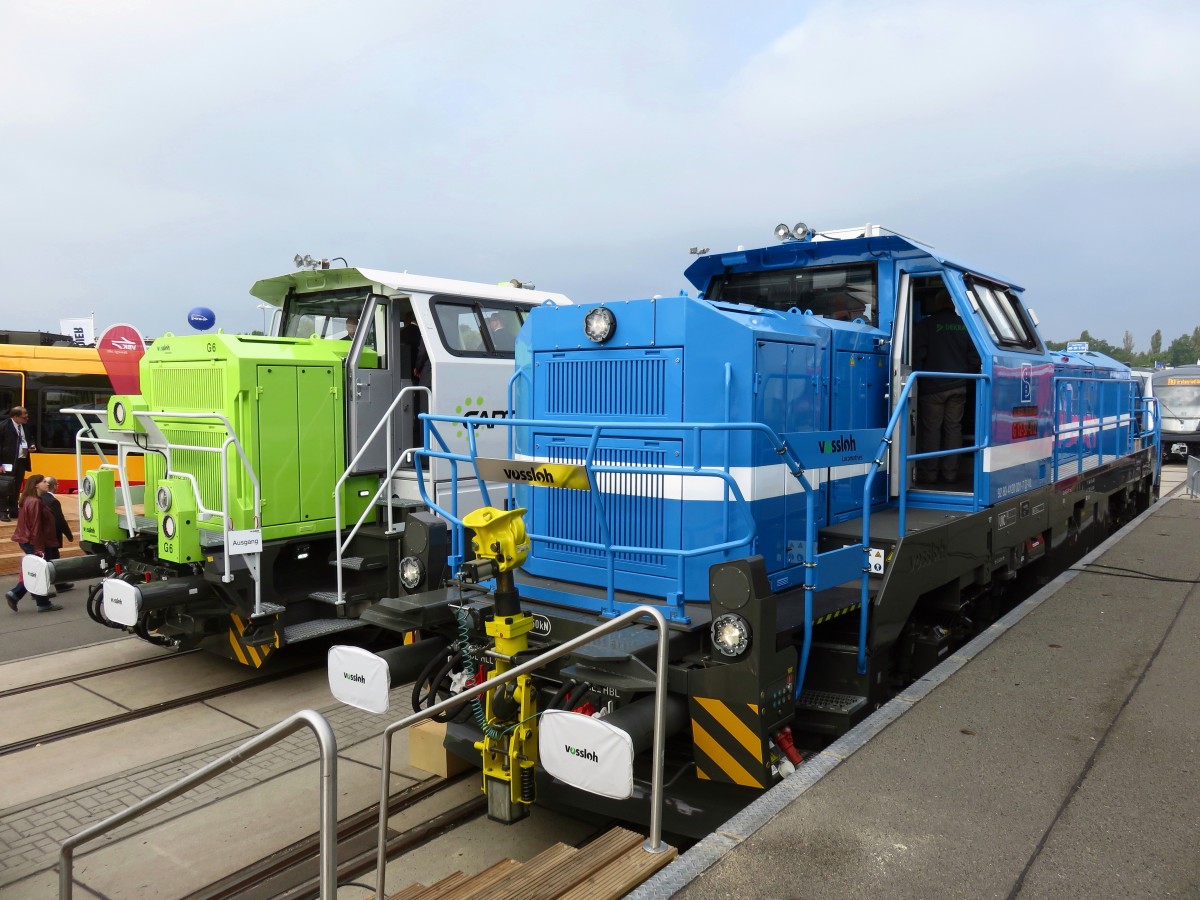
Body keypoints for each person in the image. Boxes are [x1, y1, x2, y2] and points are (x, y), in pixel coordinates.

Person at [913, 289, 981, 485]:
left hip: (932, 387)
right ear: (952, 304)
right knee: (954, 430)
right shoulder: (965, 326)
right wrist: (963, 378)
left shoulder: (926, 325)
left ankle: (929, 474)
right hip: (959, 386)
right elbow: (974, 359)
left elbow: (917, 355)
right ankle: (951, 474)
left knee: (931, 431)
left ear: (936, 304)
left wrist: (919, 377)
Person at [6, 474, 63, 612]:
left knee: (38, 571)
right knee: (40, 571)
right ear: (36, 485)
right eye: (43, 482)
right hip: (36, 542)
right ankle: (26, 597)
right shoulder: (35, 502)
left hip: (31, 540)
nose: (46, 484)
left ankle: (33, 599)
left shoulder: (30, 500)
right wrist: (39, 548)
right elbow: (36, 527)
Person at [0, 406, 35, 522]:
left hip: (21, 461)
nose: (27, 418)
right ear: (15, 417)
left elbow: (30, 438)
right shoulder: (3, 426)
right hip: (7, 462)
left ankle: (14, 510)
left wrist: (31, 444)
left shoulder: (25, 426)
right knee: (4, 487)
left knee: (16, 486)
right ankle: (3, 511)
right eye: (24, 417)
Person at [41, 476, 75, 592]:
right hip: (52, 535)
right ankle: (59, 585)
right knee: (55, 559)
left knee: (47, 559)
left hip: (42, 535)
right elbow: (60, 520)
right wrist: (69, 535)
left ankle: (46, 586)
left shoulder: (39, 498)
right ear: (55, 486)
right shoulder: (53, 501)